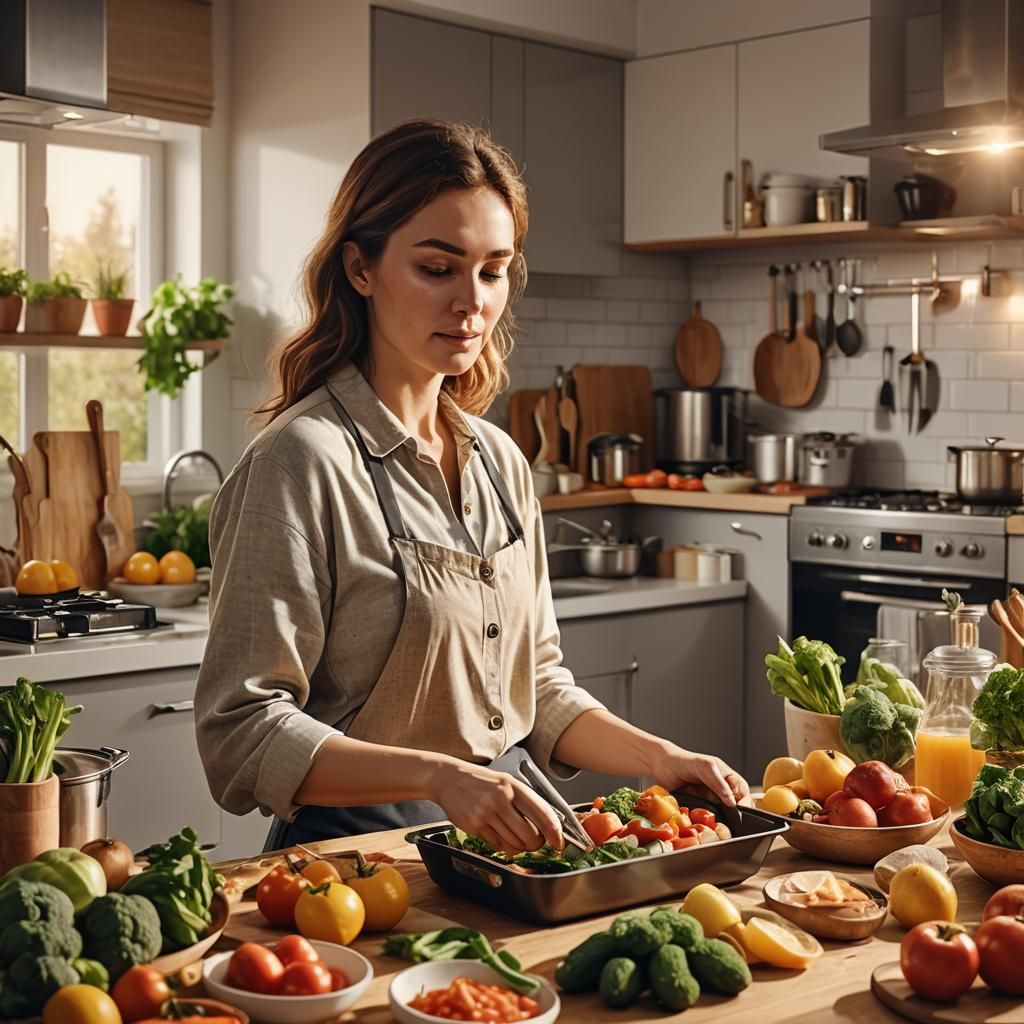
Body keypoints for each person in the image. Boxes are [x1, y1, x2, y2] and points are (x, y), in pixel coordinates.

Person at [194, 118, 749, 854]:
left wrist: (661, 758)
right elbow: (242, 730)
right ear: (361, 270)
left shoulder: (500, 460)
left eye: (493, 270)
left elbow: (536, 688)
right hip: (356, 868)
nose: (473, 302)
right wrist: (440, 777)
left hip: (507, 845)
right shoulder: (300, 461)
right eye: (438, 268)